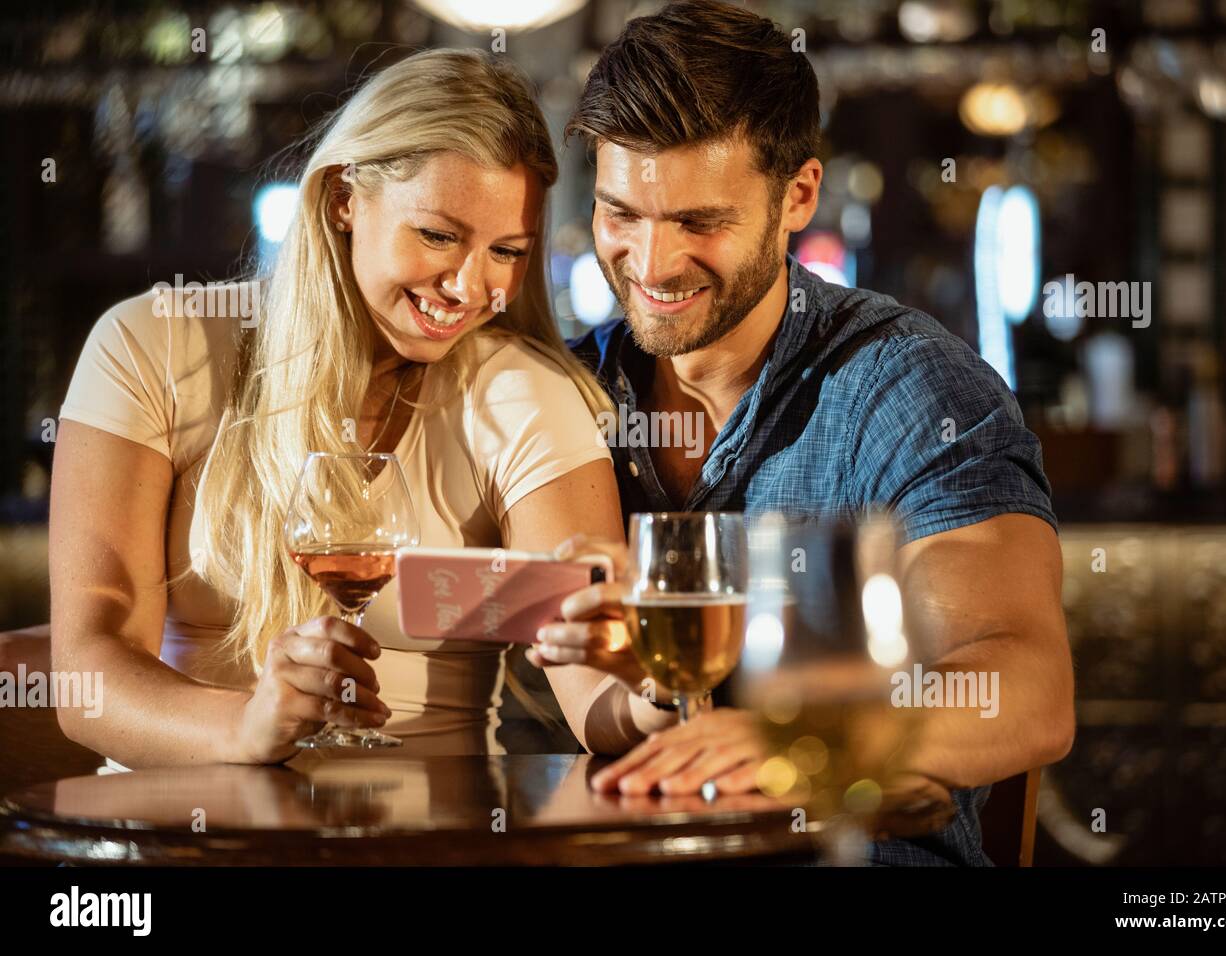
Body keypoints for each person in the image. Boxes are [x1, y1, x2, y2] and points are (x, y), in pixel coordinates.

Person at [528, 0, 1075, 866]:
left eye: (700, 223)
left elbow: (1028, 689)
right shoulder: (559, 394)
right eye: (622, 214)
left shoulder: (906, 388)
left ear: (799, 197)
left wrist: (802, 742)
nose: (654, 263)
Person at [48, 49, 677, 769]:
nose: (469, 286)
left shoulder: (522, 391)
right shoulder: (152, 344)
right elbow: (87, 676)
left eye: (506, 250)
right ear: (345, 198)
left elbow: (595, 699)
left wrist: (654, 684)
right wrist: (248, 728)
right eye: (438, 235)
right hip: (181, 836)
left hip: (421, 843)